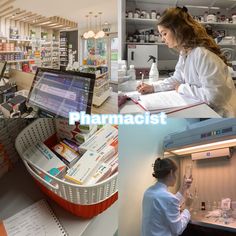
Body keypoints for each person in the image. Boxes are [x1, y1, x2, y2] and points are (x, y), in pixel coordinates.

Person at [137, 7, 236, 117]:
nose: (162, 39)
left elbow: (213, 97)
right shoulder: (185, 53)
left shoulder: (201, 54)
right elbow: (177, 78)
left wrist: (182, 88)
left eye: (164, 34)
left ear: (178, 30)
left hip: (220, 115)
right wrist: (153, 87)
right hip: (202, 109)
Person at [142, 158, 193, 236]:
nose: (176, 176)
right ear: (171, 173)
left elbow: (167, 205)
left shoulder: (148, 192)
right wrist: (187, 207)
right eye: (176, 173)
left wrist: (184, 187)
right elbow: (178, 229)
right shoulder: (167, 198)